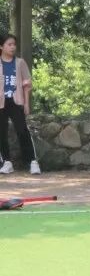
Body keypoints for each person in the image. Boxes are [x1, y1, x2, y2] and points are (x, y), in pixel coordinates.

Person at [0, 33, 40, 175]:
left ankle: (32, 162)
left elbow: (27, 85)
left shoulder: (20, 63)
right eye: (9, 44)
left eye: (14, 44)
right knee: (1, 132)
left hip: (16, 101)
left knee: (22, 130)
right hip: (1, 102)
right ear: (1, 46)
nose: (12, 47)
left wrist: (27, 104)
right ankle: (6, 162)